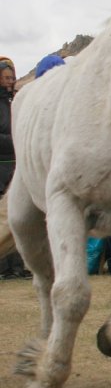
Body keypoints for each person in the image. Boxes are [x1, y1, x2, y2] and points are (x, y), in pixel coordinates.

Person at [0, 56, 31, 280]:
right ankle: (4, 268)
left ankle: (19, 266)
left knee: (18, 215)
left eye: (12, 77)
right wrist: (16, 139)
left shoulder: (15, 101)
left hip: (15, 166)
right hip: (1, 166)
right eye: (6, 78)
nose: (10, 81)